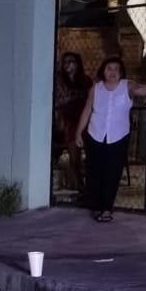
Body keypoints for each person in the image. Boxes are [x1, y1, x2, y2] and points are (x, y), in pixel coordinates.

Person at [74, 56, 146, 222]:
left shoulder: (127, 86)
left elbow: (143, 89)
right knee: (94, 172)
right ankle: (96, 205)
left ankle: (107, 209)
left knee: (112, 173)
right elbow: (87, 110)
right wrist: (79, 132)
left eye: (116, 69)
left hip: (118, 137)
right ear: (103, 71)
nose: (112, 72)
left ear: (121, 72)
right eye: (109, 68)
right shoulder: (96, 88)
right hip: (96, 134)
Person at [53, 52, 92, 191]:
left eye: (73, 62)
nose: (70, 65)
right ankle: (78, 186)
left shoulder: (85, 81)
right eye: (66, 62)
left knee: (90, 155)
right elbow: (59, 100)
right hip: (68, 121)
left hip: (85, 118)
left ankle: (89, 185)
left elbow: (89, 99)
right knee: (74, 155)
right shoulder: (59, 81)